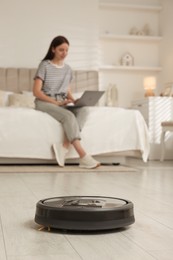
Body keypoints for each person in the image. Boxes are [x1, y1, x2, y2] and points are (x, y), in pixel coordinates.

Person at [33, 35, 100, 169]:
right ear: (53, 49)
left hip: (61, 102)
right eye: (61, 50)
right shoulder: (44, 65)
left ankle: (63, 146)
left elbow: (67, 89)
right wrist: (55, 102)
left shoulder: (68, 69)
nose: (64, 53)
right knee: (69, 116)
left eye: (66, 50)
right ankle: (83, 156)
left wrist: (74, 100)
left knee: (84, 110)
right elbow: (36, 92)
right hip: (44, 102)